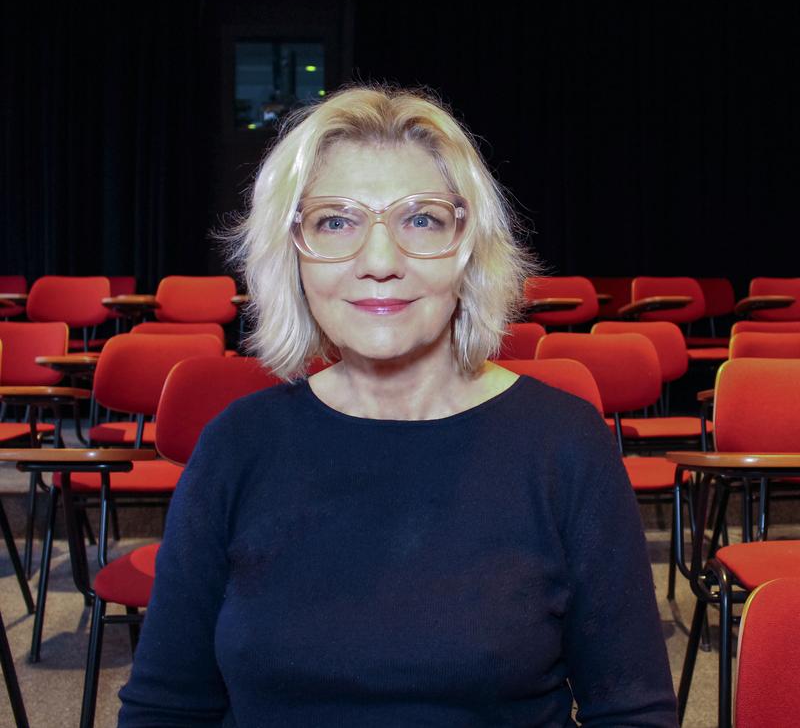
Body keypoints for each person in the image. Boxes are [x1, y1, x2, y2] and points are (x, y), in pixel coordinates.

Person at [118, 85, 677, 726]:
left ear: (469, 250)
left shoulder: (565, 444)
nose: (379, 261)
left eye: (420, 220)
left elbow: (632, 714)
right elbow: (166, 710)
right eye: (336, 222)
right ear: (291, 254)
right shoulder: (237, 446)